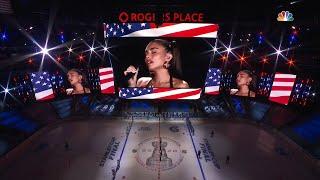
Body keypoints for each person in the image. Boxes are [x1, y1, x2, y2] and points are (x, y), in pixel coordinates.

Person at [124, 39, 189, 88]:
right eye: (146, 53)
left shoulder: (180, 85)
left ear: (168, 57)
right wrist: (131, 85)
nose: (147, 56)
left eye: (154, 52)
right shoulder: (141, 82)